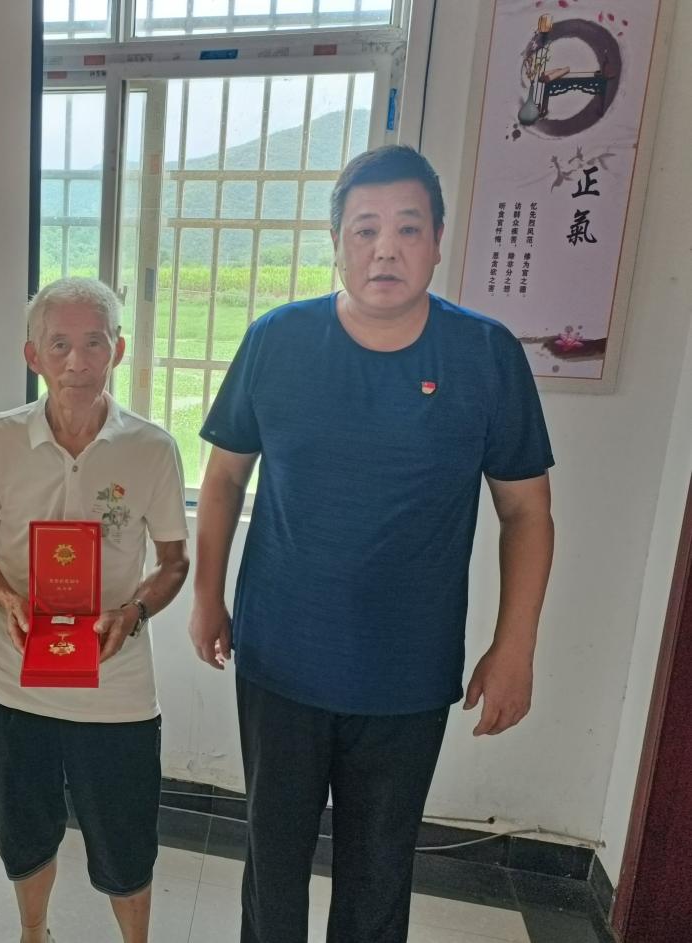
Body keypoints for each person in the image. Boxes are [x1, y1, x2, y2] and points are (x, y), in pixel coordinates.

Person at [188, 145, 555, 943]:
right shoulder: (277, 340)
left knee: (380, 872)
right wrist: (206, 596)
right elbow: (222, 479)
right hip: (281, 658)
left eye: (407, 228)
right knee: (273, 860)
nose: (385, 248)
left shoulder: (485, 355)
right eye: (364, 229)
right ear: (337, 241)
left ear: (438, 239)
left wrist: (515, 645)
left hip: (407, 671)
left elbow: (527, 512)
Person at [0, 277, 190, 943]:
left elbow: (174, 561)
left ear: (118, 349)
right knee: (23, 829)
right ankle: (34, 932)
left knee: (125, 840)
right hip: (11, 679)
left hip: (113, 688)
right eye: (59, 344)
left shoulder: (151, 448)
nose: (77, 362)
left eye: (94, 343)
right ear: (33, 355)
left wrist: (134, 610)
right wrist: (8, 598)